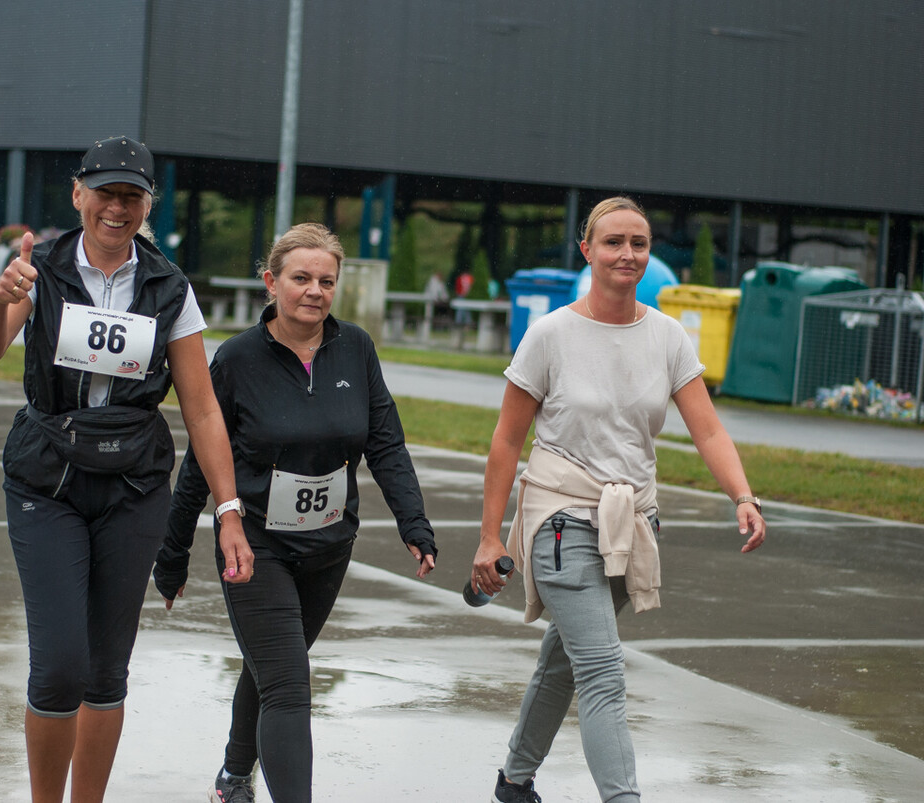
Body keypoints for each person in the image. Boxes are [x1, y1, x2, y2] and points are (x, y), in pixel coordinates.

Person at [0, 135, 251, 803]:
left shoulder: (168, 287)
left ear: (148, 205)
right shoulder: (41, 269)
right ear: (78, 194)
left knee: (105, 671)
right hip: (47, 480)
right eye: (105, 193)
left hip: (133, 484)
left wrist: (229, 509)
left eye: (131, 196)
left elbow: (202, 408)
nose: (116, 208)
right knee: (59, 666)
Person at [470, 196, 767, 803]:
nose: (627, 254)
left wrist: (743, 495)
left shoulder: (667, 336)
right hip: (560, 521)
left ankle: (515, 781)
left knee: (564, 659)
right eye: (613, 242)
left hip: (632, 525)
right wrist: (489, 536)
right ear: (586, 250)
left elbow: (708, 430)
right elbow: (506, 442)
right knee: (603, 671)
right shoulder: (550, 335)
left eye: (638, 243)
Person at [154, 222, 438, 803]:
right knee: (288, 683)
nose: (314, 291)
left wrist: (414, 522)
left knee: (272, 665)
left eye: (326, 281)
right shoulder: (237, 359)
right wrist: (172, 554)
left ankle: (233, 776)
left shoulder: (356, 348)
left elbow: (385, 442)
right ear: (271, 282)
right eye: (301, 278)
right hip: (255, 545)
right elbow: (200, 463)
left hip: (329, 546)